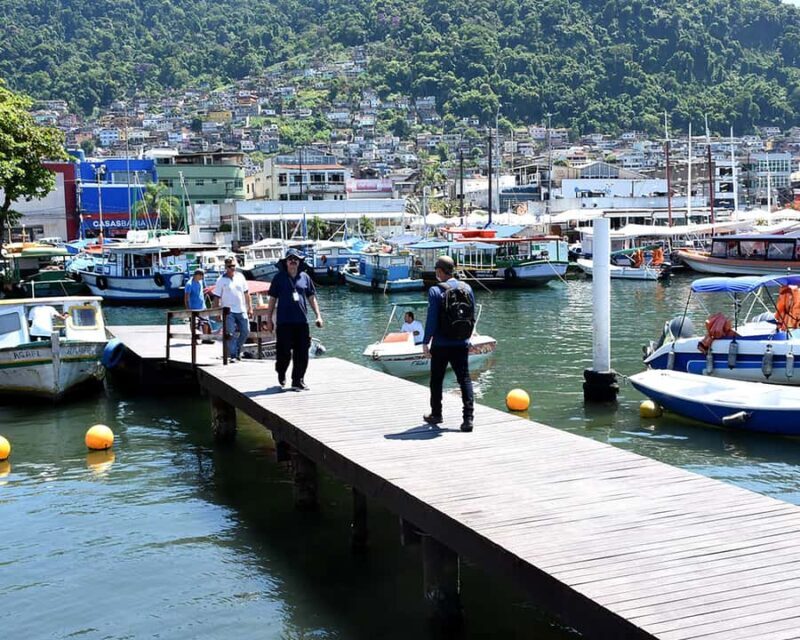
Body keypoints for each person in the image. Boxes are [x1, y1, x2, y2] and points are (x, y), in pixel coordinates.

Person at [422, 255, 475, 432]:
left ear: (439, 271)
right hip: (461, 342)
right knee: (464, 379)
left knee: (436, 380)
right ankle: (468, 419)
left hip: (441, 343)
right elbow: (472, 315)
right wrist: (468, 337)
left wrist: (425, 341)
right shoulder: (467, 288)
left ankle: (436, 414)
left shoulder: (435, 291)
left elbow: (431, 319)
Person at [264, 248, 323, 391]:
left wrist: (318, 316)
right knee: (283, 353)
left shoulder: (305, 277)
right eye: (290, 259)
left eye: (295, 259)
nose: (293, 261)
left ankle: (298, 380)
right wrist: (269, 320)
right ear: (285, 262)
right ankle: (281, 371)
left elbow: (311, 297)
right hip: (284, 322)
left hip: (301, 322)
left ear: (299, 262)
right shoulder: (279, 278)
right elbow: (272, 299)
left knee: (302, 353)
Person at [212, 257, 251, 362]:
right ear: (226, 267)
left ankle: (237, 349)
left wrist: (250, 308)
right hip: (228, 311)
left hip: (241, 309)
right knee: (231, 333)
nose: (232, 268)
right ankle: (233, 356)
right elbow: (216, 297)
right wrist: (216, 313)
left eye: (233, 266)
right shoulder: (220, 280)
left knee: (246, 331)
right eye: (229, 266)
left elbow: (246, 293)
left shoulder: (241, 277)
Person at [185, 268, 212, 343]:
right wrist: (188, 309)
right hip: (193, 307)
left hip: (202, 306)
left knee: (205, 322)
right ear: (197, 275)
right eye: (201, 275)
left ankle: (205, 339)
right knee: (194, 324)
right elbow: (186, 298)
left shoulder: (200, 282)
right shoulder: (189, 284)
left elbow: (200, 292)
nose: (202, 277)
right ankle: (194, 339)